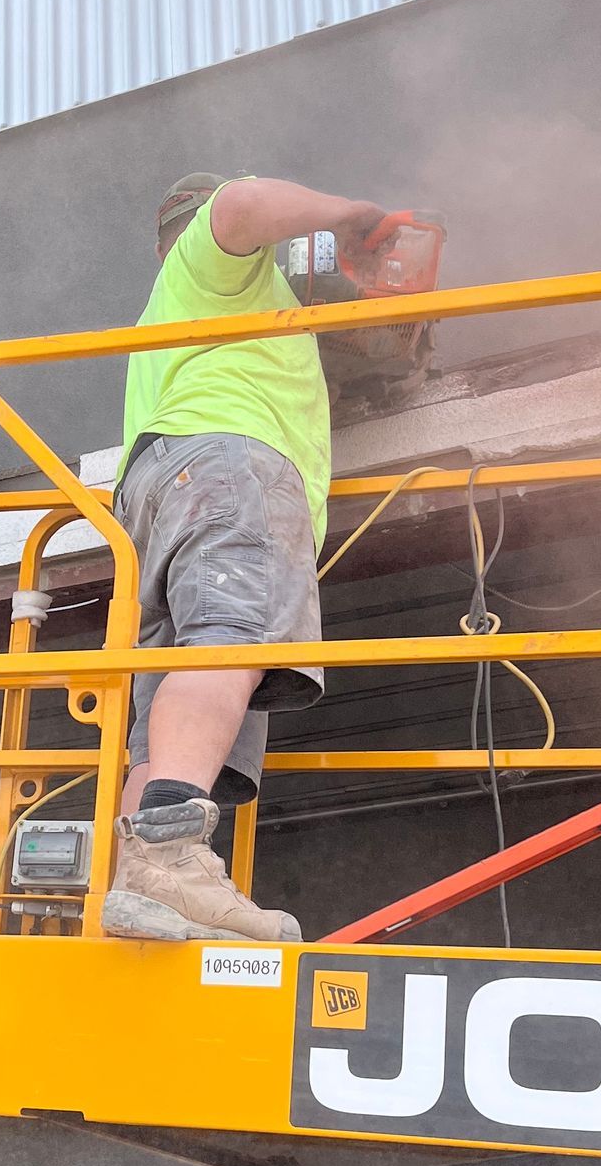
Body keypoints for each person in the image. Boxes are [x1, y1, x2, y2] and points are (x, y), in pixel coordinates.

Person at [102, 172, 393, 945]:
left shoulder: (184, 320)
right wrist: (349, 212)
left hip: (169, 493)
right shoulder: (216, 263)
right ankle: (170, 856)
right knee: (230, 638)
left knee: (169, 705)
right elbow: (239, 204)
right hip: (228, 472)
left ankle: (149, 888)